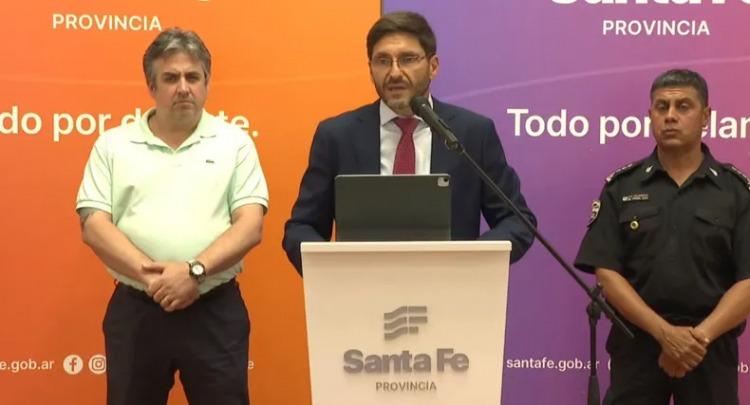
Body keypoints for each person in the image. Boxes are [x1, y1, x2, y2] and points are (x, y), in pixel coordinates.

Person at [76, 28, 268, 405]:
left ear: (206, 82)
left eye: (193, 77)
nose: (183, 88)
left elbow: (250, 225)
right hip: (137, 310)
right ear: (152, 86)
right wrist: (157, 280)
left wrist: (194, 272)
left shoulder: (235, 143)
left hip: (214, 308)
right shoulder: (113, 144)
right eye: (170, 78)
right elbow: (94, 225)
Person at [282, 11, 536, 274]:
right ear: (370, 69)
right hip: (360, 288)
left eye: (408, 59)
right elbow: (301, 228)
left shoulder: (471, 133)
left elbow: (517, 221)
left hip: (451, 287)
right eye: (383, 61)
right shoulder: (337, 136)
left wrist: (468, 263)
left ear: (433, 66)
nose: (394, 72)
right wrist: (334, 274)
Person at [575, 69, 750, 404]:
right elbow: (606, 273)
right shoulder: (622, 187)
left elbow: (748, 280)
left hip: (709, 349)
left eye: (683, 106)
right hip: (637, 344)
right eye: (661, 107)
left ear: (706, 116)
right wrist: (664, 334)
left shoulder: (736, 192)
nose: (670, 116)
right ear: (650, 115)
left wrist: (697, 339)